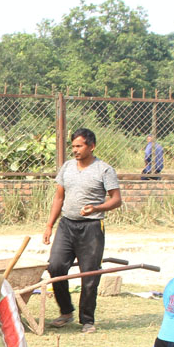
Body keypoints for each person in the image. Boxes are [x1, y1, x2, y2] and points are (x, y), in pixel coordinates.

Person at [42, 128, 121, 334]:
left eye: (79, 146)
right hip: (67, 225)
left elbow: (116, 199)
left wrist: (97, 208)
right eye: (73, 146)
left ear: (91, 146)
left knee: (89, 274)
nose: (75, 150)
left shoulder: (104, 170)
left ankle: (87, 319)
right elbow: (59, 197)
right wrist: (50, 225)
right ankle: (66, 311)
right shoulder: (67, 167)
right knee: (56, 267)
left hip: (92, 227)